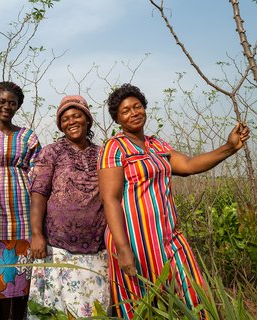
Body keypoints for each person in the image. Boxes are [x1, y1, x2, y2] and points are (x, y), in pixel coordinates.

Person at [97, 83, 250, 319]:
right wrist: (123, 248)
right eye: (125, 110)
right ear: (117, 118)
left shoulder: (158, 145)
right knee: (141, 306)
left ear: (145, 108)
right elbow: (110, 199)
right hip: (134, 241)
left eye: (137, 106)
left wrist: (229, 147)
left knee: (195, 295)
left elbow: (188, 165)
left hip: (169, 236)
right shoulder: (114, 148)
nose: (133, 113)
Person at [28, 95, 110, 318]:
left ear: (87, 120)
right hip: (59, 248)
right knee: (59, 310)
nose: (71, 121)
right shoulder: (51, 152)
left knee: (94, 310)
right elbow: (39, 194)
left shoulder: (103, 153)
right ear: (60, 125)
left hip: (97, 246)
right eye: (65, 119)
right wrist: (36, 234)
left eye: (77, 116)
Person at [0, 81, 41, 320]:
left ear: (18, 107)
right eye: (2, 101)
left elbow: (40, 173)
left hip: (23, 213)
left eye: (12, 103)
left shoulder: (27, 136)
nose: (6, 106)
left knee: (21, 280)